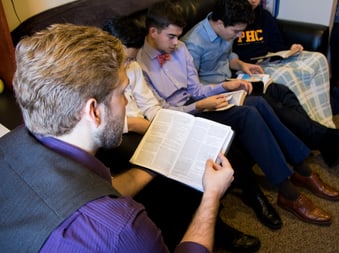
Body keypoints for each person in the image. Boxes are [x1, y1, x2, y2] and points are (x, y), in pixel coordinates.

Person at [0, 23, 235, 253]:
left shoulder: (9, 144)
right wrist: (211, 195)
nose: (125, 102)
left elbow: (97, 188)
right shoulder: (120, 231)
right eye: (122, 93)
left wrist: (155, 165)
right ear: (93, 111)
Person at [137, 0, 339, 227]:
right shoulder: (140, 68)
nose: (178, 43)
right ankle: (290, 193)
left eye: (178, 36)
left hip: (200, 103)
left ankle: (302, 170)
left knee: (259, 105)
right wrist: (200, 106)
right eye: (172, 37)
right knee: (248, 114)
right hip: (184, 117)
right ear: (153, 32)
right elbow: (163, 112)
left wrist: (226, 87)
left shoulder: (180, 49)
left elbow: (196, 89)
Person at [99, 14, 262, 252]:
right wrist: (134, 124)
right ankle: (202, 231)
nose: (126, 66)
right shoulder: (96, 75)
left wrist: (173, 124)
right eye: (122, 59)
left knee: (207, 150)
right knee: (172, 176)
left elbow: (151, 106)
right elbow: (102, 122)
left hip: (147, 126)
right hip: (120, 137)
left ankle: (216, 220)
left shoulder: (132, 67)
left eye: (130, 60)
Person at [181, 0, 339, 167]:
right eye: (236, 32)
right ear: (221, 23)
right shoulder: (193, 44)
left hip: (233, 79)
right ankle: (328, 140)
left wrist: (241, 64)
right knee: (271, 103)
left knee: (282, 91)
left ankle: (322, 140)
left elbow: (228, 55)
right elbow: (194, 90)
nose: (239, 36)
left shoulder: (224, 25)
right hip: (218, 91)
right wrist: (227, 86)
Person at [233, 0, 333, 127]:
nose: (253, 0)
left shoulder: (265, 16)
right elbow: (228, 56)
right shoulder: (231, 19)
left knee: (318, 58)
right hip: (248, 68)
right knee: (289, 75)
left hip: (268, 58)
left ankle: (322, 118)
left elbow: (277, 45)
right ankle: (314, 125)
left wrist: (291, 49)